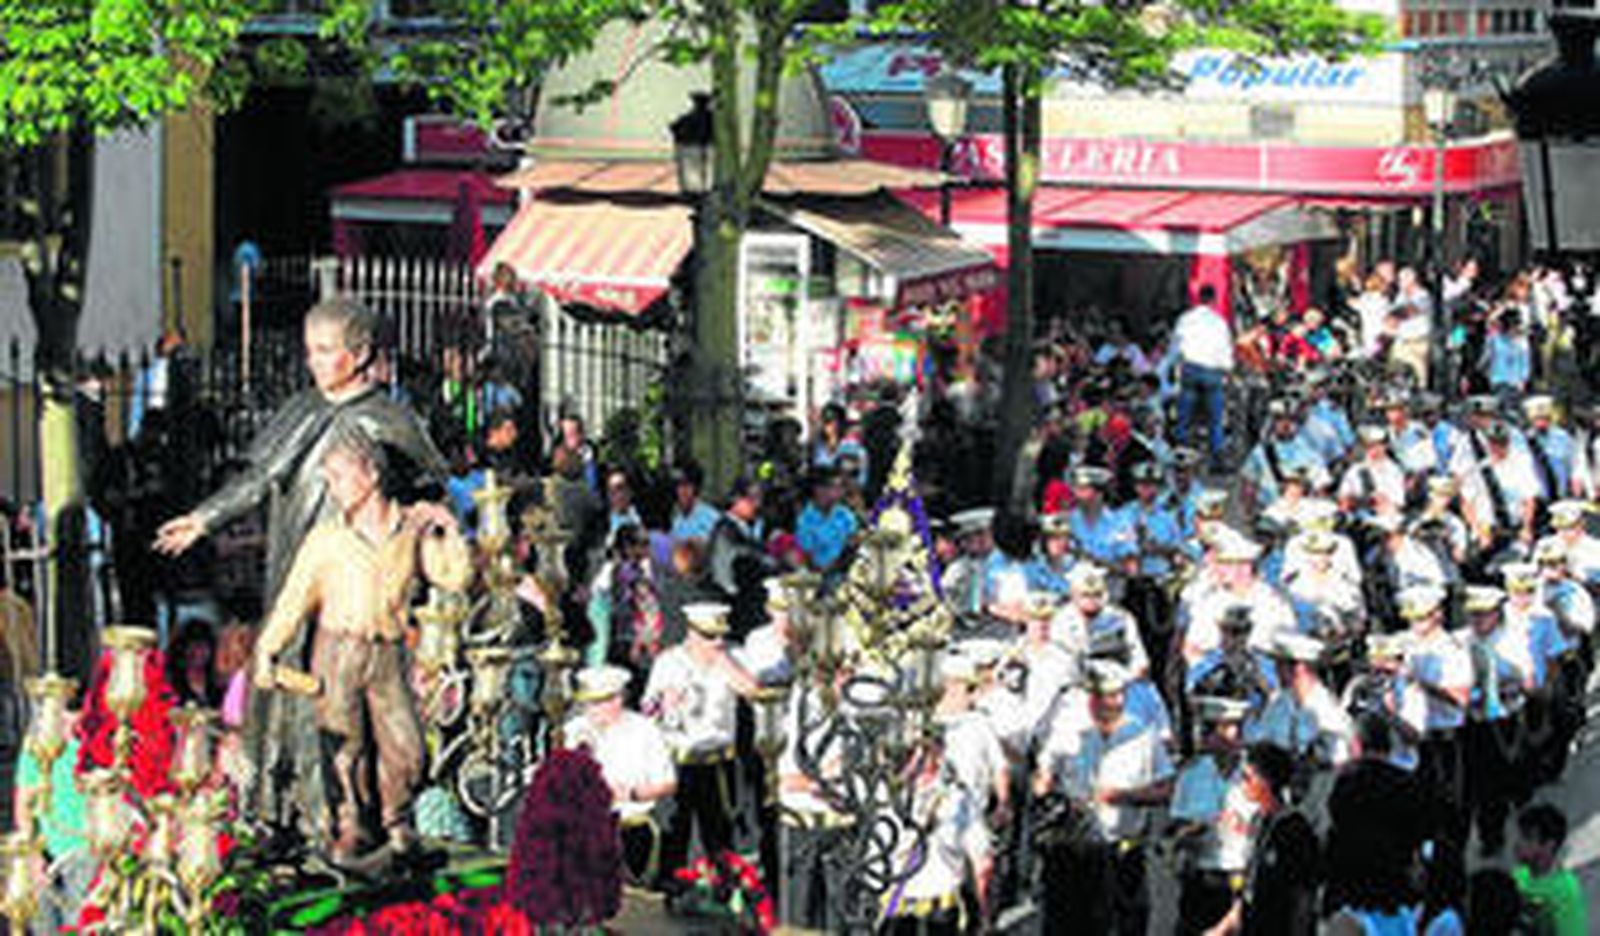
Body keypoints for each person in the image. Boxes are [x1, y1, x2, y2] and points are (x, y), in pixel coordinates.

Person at [154, 297, 448, 834]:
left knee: (349, 701)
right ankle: (284, 810)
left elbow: (430, 486)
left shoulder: (391, 419)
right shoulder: (302, 411)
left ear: (359, 354)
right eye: (310, 350)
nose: (314, 361)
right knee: (287, 682)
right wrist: (204, 518)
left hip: (357, 587)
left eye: (326, 350)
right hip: (296, 567)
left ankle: (352, 818)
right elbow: (259, 479)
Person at [251, 427, 471, 863]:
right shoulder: (325, 540)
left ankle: (398, 823)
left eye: (337, 476)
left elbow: (455, 577)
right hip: (337, 650)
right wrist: (268, 649)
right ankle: (350, 827)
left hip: (387, 651)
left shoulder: (410, 529)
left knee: (406, 746)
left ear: (370, 475)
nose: (331, 488)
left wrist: (447, 526)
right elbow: (294, 599)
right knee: (343, 747)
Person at [1034, 660, 1174, 935]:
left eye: (1119, 695)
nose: (1116, 702)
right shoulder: (1068, 733)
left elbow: (1167, 789)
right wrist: (1055, 797)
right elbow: (1042, 782)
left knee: (1126, 925)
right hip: (1076, 852)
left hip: (1122, 851)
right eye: (1107, 696)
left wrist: (1124, 796)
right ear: (1091, 699)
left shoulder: (1143, 735)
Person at [642, 602, 762, 890]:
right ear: (692, 633)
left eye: (720, 635)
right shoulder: (669, 661)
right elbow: (647, 709)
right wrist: (664, 702)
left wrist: (727, 666)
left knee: (719, 835)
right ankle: (669, 888)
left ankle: (721, 891)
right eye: (710, 637)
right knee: (674, 831)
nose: (717, 642)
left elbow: (756, 691)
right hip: (680, 759)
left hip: (717, 760)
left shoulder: (733, 656)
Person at [565, 665, 677, 883]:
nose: (590, 710)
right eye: (587, 703)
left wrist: (631, 793)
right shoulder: (575, 729)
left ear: (617, 700)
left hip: (628, 830)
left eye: (597, 703)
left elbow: (668, 782)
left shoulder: (644, 731)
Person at [1172, 284, 1234, 471]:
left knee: (1185, 416)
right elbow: (1225, 349)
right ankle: (1217, 458)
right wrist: (1228, 370)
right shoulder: (1219, 322)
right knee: (1215, 418)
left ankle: (1180, 453)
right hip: (1212, 371)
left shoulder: (1185, 319)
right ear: (1214, 300)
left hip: (1190, 368)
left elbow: (1176, 346)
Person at [1511, 803, 1587, 936]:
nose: (1518, 844)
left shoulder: (1565, 892)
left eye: (1528, 838)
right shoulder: (1518, 875)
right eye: (1520, 836)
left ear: (1548, 846)